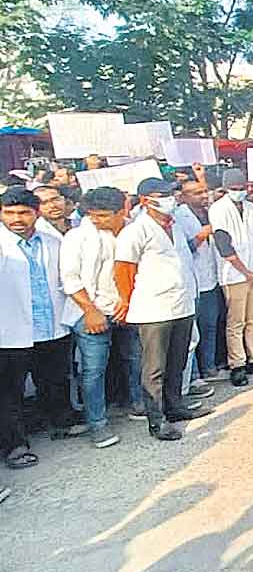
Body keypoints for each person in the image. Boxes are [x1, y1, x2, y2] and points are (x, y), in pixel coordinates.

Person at [115, 178, 210, 441]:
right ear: (145, 200)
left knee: (177, 361)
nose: (170, 198)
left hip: (181, 303)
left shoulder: (174, 226)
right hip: (153, 308)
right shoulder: (135, 231)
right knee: (154, 367)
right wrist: (126, 301)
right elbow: (124, 269)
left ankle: (175, 406)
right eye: (162, 195)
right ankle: (157, 420)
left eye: (171, 193)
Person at [1, 187, 79, 471]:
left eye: (24, 212)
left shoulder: (53, 241)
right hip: (10, 332)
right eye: (9, 213)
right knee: (10, 392)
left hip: (51, 326)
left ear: (36, 213)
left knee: (55, 380)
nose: (17, 219)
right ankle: (15, 446)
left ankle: (60, 423)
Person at [62, 187, 139, 449]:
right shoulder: (77, 237)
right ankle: (97, 424)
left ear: (122, 211)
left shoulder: (133, 230)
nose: (97, 220)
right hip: (90, 312)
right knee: (93, 370)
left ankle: (140, 405)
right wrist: (91, 311)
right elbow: (70, 279)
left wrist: (128, 303)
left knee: (136, 358)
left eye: (104, 216)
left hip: (127, 307)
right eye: (92, 215)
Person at [210, 169, 253, 386]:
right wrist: (246, 272)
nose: (239, 192)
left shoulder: (252, 208)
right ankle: (237, 364)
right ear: (226, 189)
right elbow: (223, 245)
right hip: (234, 274)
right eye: (234, 189)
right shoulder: (218, 209)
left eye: (242, 188)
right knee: (236, 322)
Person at [173, 179, 220, 385]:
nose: (201, 196)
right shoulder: (178, 217)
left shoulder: (210, 211)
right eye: (195, 193)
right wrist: (201, 236)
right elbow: (182, 250)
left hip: (211, 279)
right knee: (191, 334)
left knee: (210, 326)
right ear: (183, 197)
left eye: (203, 191)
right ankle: (192, 377)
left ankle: (209, 367)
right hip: (192, 282)